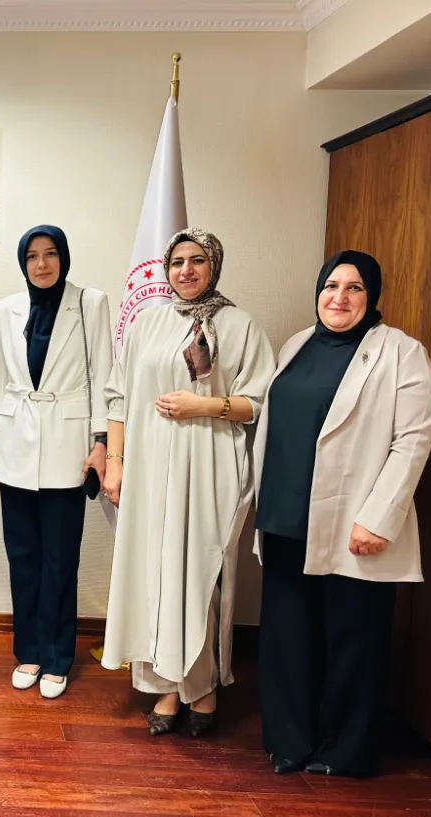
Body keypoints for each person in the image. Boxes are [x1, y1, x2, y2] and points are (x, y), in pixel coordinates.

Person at [253, 251, 431, 777]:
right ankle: (289, 742)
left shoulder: (402, 353)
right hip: (286, 517)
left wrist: (379, 518)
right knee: (288, 638)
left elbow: (412, 442)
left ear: (372, 296)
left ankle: (345, 752)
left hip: (354, 523)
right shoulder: (297, 344)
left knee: (353, 640)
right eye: (331, 286)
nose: (339, 297)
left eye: (354, 288)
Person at [100, 228, 275, 737]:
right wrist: (116, 462)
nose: (186, 270)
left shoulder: (240, 325)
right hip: (150, 466)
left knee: (201, 577)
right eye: (177, 261)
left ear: (213, 265)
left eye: (197, 260)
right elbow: (118, 397)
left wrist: (204, 405)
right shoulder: (148, 322)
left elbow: (259, 402)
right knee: (155, 574)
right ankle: (166, 688)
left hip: (211, 465)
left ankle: (203, 687)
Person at [0, 225, 112, 699]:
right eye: (32, 256)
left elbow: (103, 374)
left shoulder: (90, 303)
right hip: (16, 441)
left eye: (51, 253)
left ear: (63, 257)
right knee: (23, 556)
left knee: (59, 557)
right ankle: (29, 653)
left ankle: (57, 657)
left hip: (67, 443)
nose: (41, 264)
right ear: (23, 262)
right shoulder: (6, 309)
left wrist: (101, 442)